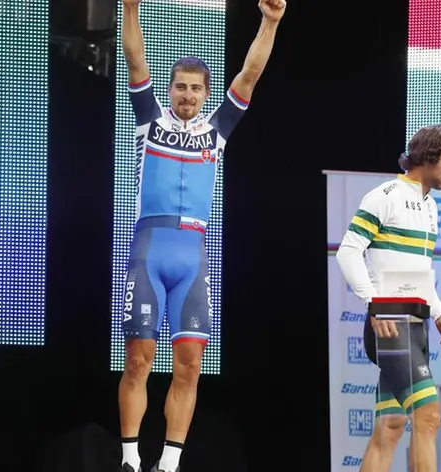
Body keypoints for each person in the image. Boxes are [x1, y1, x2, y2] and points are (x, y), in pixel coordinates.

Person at [117, 1, 285, 471]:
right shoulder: (150, 120)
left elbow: (249, 75)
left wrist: (269, 22)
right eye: (180, 87)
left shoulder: (217, 131)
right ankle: (130, 457)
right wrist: (130, 7)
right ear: (169, 91)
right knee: (139, 359)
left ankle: (169, 463)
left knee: (189, 365)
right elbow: (135, 58)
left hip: (193, 257)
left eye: (195, 89)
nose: (187, 95)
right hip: (149, 251)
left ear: (205, 94)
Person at [335, 124, 441, 472]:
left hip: (417, 323)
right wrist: (375, 306)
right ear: (428, 157)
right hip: (391, 322)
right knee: (428, 415)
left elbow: (419, 272)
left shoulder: (431, 207)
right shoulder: (386, 195)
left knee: (390, 427)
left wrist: (440, 314)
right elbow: (348, 253)